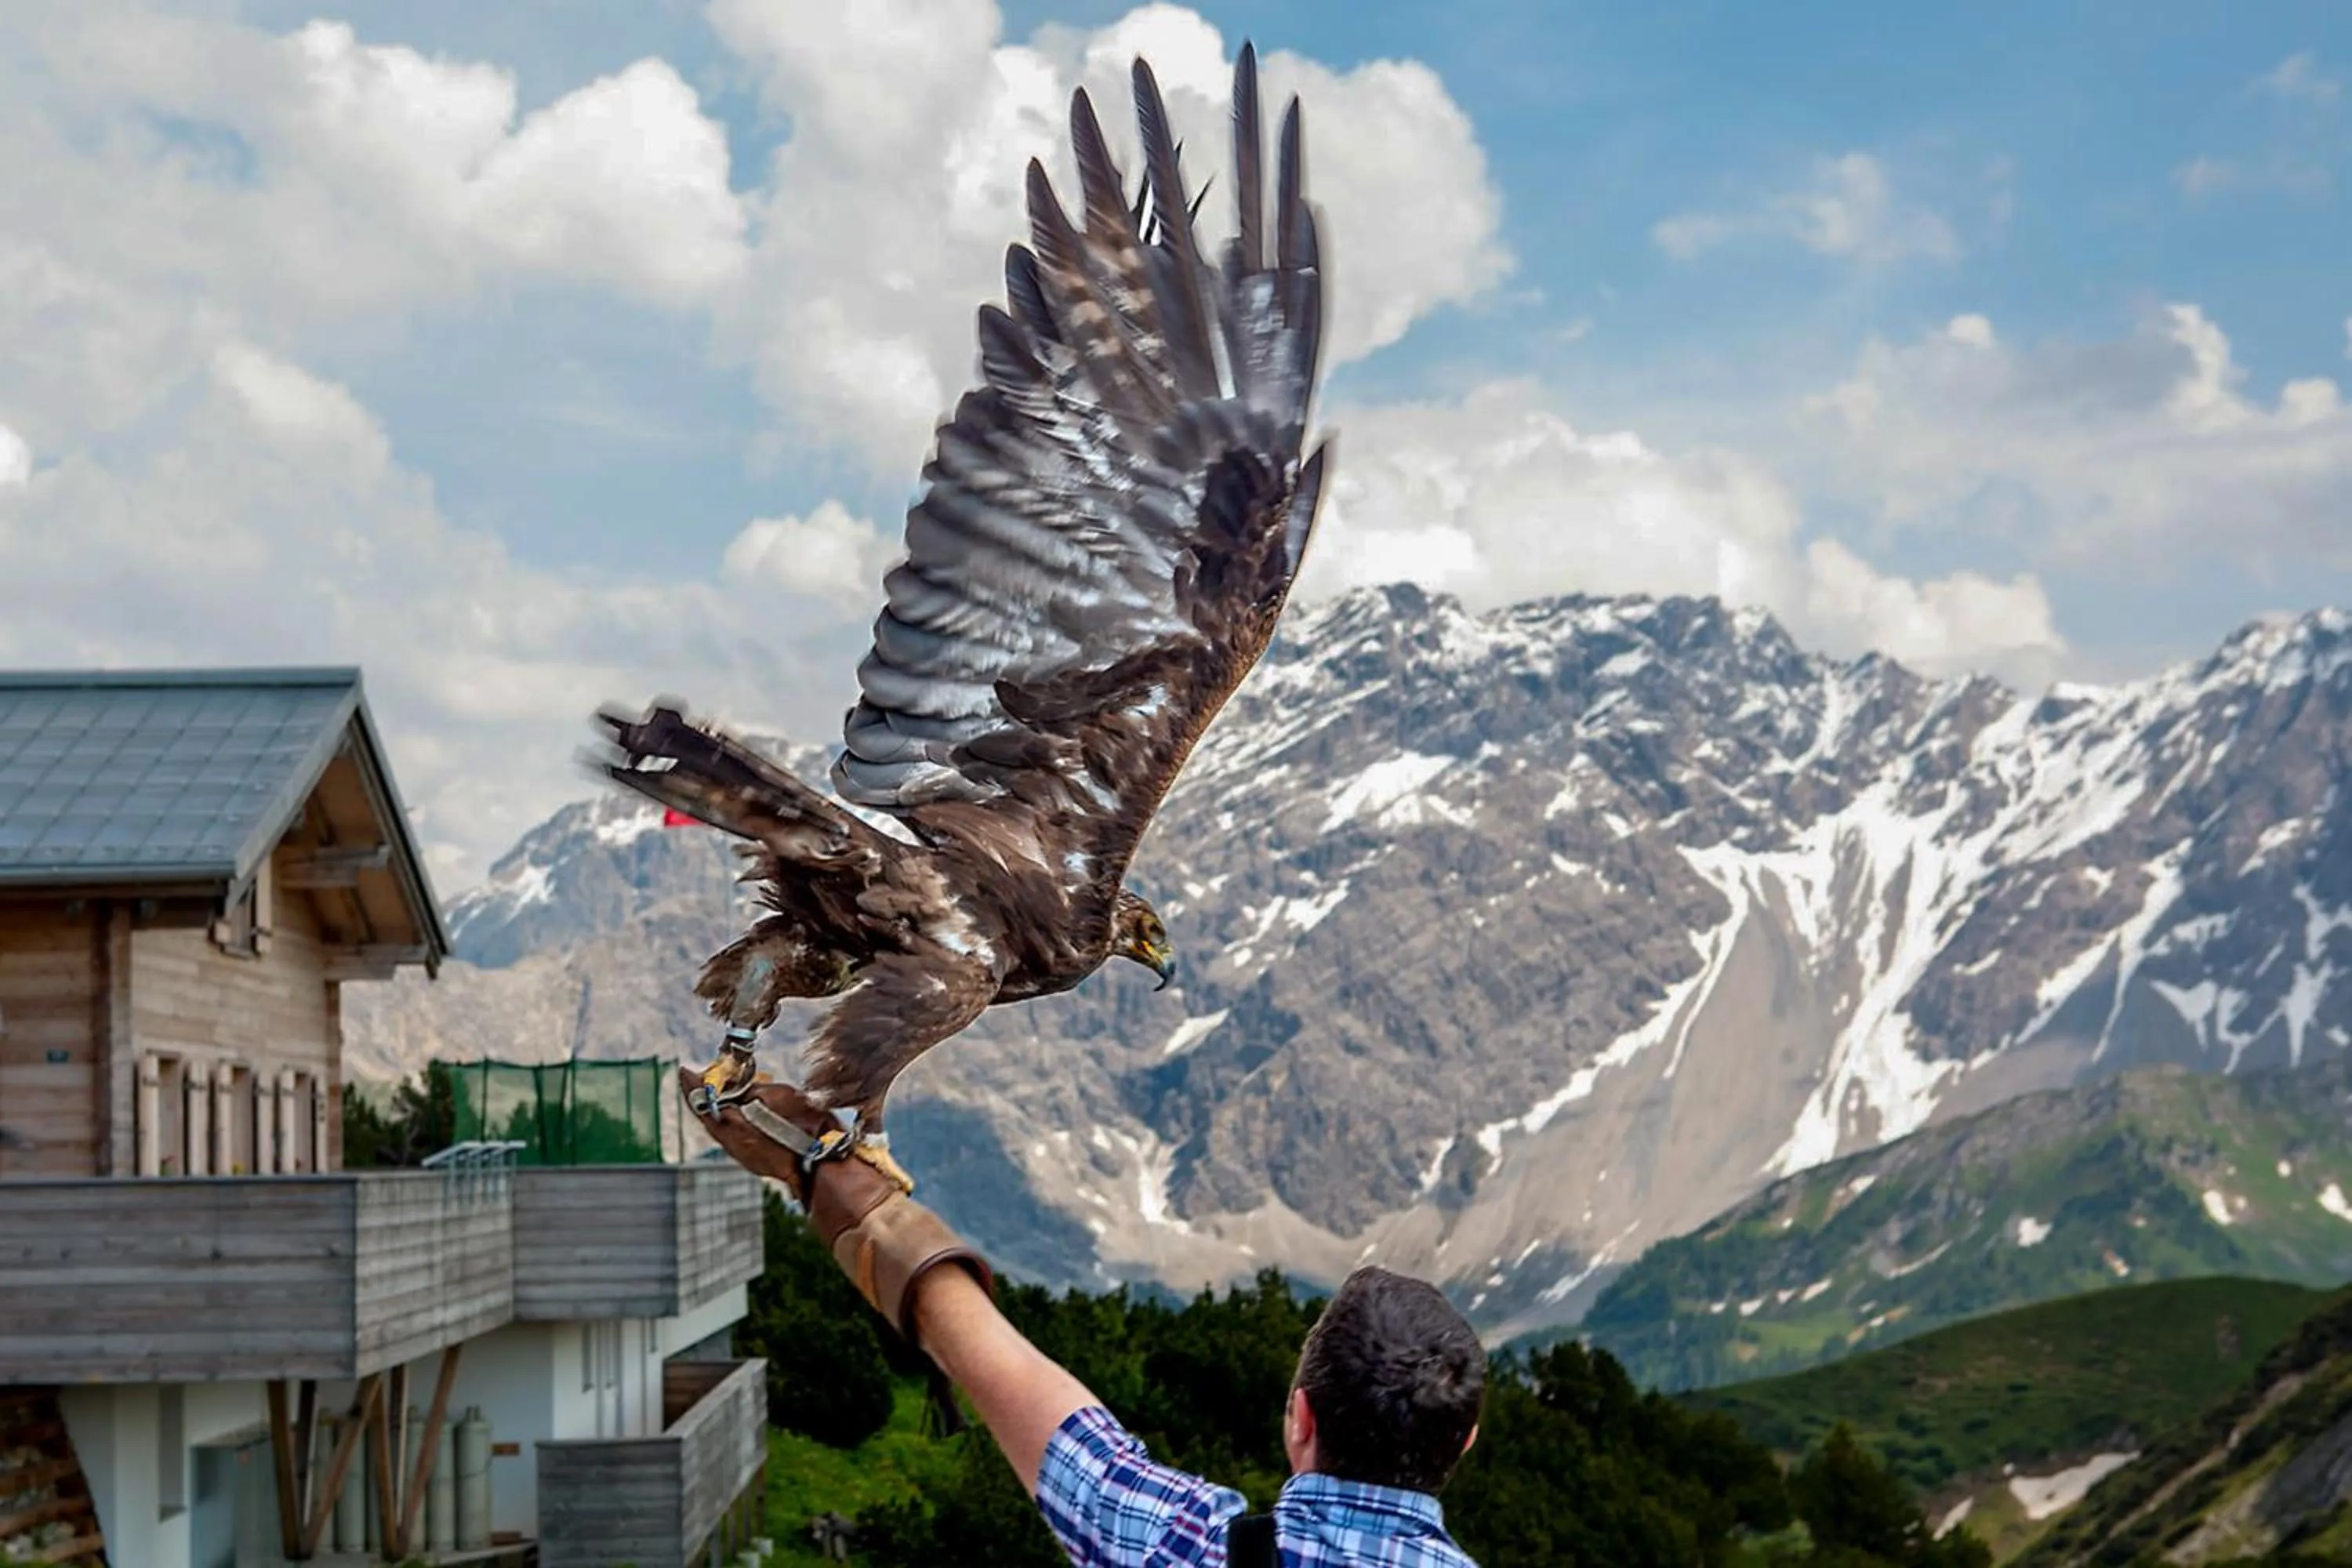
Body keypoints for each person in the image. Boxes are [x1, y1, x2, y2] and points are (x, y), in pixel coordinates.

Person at [687, 1069, 1486, 1566]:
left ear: (1301, 1418)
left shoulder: (1186, 1544)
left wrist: (826, 1181)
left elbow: (1022, 1387)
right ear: (1464, 1440)